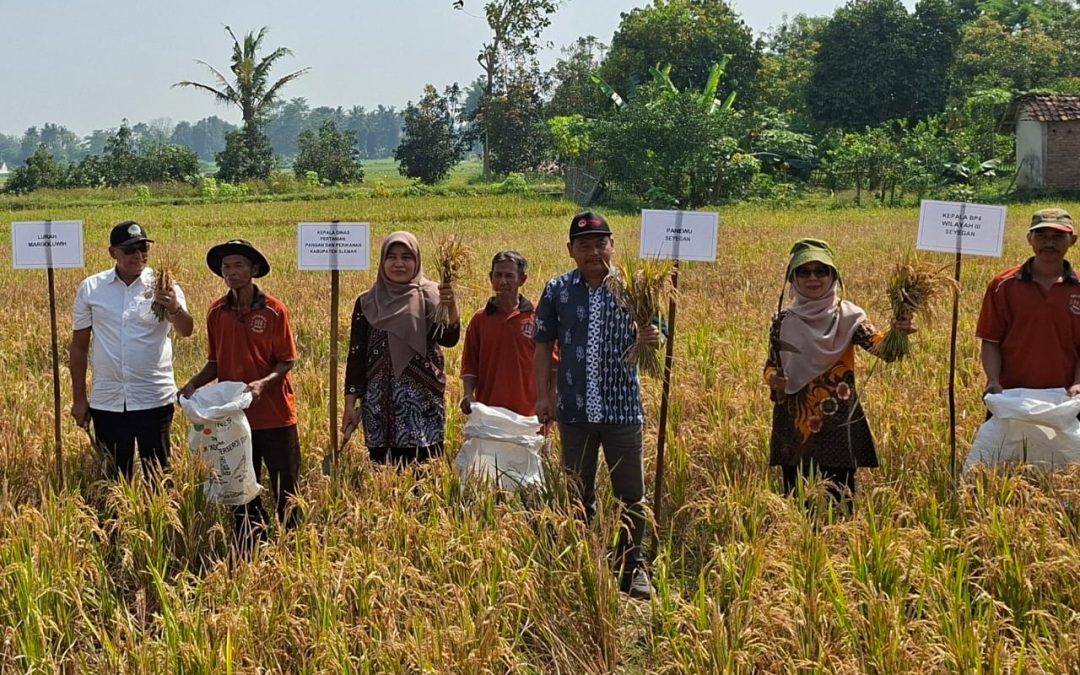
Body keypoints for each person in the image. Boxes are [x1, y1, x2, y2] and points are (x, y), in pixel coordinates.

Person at [533, 210, 660, 601]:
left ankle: (634, 565)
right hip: (573, 411)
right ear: (570, 249)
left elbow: (659, 333)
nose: (593, 252)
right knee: (576, 492)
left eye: (600, 243)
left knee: (631, 494)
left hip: (623, 411)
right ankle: (584, 561)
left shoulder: (635, 287)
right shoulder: (557, 289)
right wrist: (542, 395)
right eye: (584, 245)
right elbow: (542, 344)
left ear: (612, 245)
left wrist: (652, 335)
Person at [765, 238, 913, 512]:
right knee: (796, 502)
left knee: (840, 500)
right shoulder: (783, 320)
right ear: (792, 278)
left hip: (837, 421)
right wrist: (774, 380)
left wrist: (899, 332)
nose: (813, 278)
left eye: (821, 271)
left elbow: (883, 349)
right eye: (804, 272)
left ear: (834, 276)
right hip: (795, 423)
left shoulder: (849, 317)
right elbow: (771, 364)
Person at [180, 240, 300, 553]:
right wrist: (192, 385)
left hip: (274, 415)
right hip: (233, 420)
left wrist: (263, 384)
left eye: (238, 265)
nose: (232, 272)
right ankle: (249, 547)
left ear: (254, 270)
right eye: (226, 267)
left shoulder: (274, 310)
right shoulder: (217, 312)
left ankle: (292, 546)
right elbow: (215, 363)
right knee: (240, 487)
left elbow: (287, 360)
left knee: (285, 485)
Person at [70, 221, 193, 480]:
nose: (138, 255)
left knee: (158, 476)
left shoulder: (164, 285)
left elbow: (186, 329)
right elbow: (79, 348)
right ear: (112, 252)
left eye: (143, 248)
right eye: (129, 250)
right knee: (113, 476)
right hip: (109, 401)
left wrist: (174, 308)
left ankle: (159, 519)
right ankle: (116, 520)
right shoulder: (92, 288)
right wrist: (80, 399)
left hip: (153, 397)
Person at [342, 231, 460, 466]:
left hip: (422, 404)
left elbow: (448, 338)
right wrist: (349, 404)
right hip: (378, 405)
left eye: (407, 257)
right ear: (382, 261)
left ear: (417, 261)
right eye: (391, 257)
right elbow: (357, 355)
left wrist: (451, 306)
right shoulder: (367, 301)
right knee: (383, 475)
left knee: (425, 471)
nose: (398, 263)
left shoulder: (432, 295)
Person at [977, 208, 1080, 397]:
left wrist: (1078, 383)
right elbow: (991, 340)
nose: (1049, 243)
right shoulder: (1003, 285)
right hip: (1011, 395)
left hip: (1067, 397)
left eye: (1058, 236)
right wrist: (993, 381)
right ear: (1029, 238)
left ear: (1072, 240)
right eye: (1041, 235)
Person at [460, 250, 552, 418]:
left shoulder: (538, 315)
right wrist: (468, 393)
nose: (502, 281)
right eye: (498, 275)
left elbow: (552, 363)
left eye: (509, 276)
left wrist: (550, 400)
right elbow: (470, 365)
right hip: (489, 416)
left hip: (530, 415)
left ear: (522, 279)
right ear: (491, 278)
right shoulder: (480, 319)